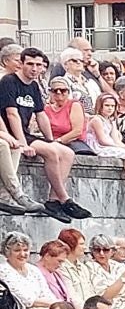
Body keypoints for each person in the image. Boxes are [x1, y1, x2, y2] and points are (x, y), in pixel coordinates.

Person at [0, 44, 87, 220]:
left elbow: (41, 115)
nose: (34, 69)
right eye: (30, 64)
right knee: (52, 153)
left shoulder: (33, 87)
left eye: (39, 65)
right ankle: (64, 198)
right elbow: (12, 114)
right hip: (12, 132)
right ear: (21, 64)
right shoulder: (9, 82)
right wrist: (23, 143)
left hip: (25, 133)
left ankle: (53, 200)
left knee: (67, 153)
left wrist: (50, 139)